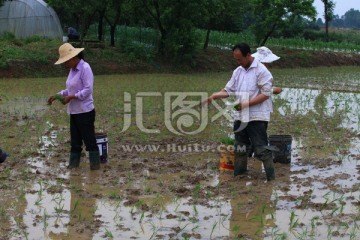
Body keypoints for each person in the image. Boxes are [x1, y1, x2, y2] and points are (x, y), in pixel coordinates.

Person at [203, 43, 275, 181]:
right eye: (236, 60)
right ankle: (240, 175)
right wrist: (214, 95)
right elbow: (228, 90)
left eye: (240, 59)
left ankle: (271, 179)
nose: (238, 62)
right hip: (240, 115)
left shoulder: (262, 71)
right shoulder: (238, 71)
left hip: (256, 117)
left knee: (261, 150)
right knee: (240, 148)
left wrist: (246, 104)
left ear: (248, 55)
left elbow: (266, 94)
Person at [47, 43, 100, 170]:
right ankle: (73, 166)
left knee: (89, 141)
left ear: (73, 58)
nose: (65, 65)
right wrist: (57, 95)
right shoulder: (72, 70)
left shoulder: (85, 68)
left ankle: (95, 167)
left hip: (85, 111)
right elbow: (70, 89)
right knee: (75, 142)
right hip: (74, 112)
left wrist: (71, 97)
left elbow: (88, 90)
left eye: (65, 62)